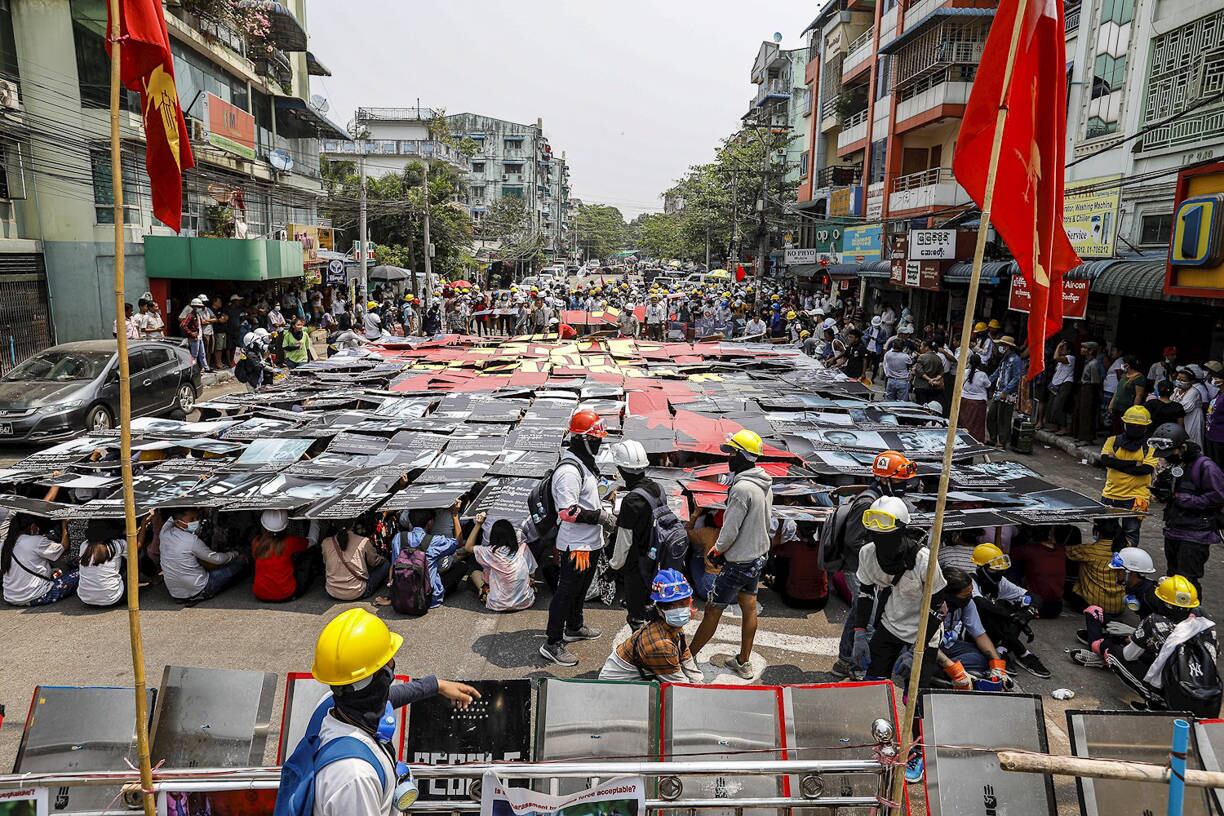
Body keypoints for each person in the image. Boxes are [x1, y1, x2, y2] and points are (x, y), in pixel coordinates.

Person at [279, 608, 480, 816]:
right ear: (382, 676)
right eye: (389, 663)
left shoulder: (331, 707)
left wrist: (435, 685)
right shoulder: (355, 777)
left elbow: (383, 696)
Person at [688, 430, 774, 680]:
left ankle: (688, 657)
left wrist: (717, 551)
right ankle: (744, 661)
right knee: (749, 607)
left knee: (713, 609)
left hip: (738, 562)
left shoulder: (741, 488)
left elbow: (730, 528)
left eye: (733, 452)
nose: (729, 457)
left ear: (743, 456)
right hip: (758, 556)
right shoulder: (764, 481)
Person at [829, 450, 918, 678]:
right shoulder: (867, 502)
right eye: (900, 480)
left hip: (867, 566)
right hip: (858, 568)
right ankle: (860, 667)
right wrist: (878, 559)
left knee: (857, 613)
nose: (904, 485)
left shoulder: (883, 500)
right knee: (867, 619)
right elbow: (853, 540)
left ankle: (845, 660)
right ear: (884, 478)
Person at [539, 409, 611, 667]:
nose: (600, 444)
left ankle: (574, 626)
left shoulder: (584, 464)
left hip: (590, 542)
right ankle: (553, 642)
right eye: (596, 439)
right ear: (582, 440)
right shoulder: (568, 472)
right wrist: (601, 517)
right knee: (566, 593)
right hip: (577, 545)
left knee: (580, 589)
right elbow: (567, 512)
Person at [853, 496, 946, 693]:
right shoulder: (867, 554)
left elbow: (938, 607)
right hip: (891, 624)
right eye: (875, 535)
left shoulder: (924, 561)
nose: (881, 543)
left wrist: (916, 650)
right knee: (873, 687)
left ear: (901, 531)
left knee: (915, 699)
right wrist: (859, 632)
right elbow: (865, 594)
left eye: (886, 536)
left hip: (924, 632)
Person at [1149, 422, 1224, 596]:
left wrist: (1179, 498)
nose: (1166, 457)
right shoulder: (1176, 464)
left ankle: (1192, 617)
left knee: (1187, 582)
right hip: (1174, 529)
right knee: (1172, 578)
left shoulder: (1206, 467)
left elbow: (1218, 497)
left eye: (1170, 453)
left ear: (1182, 448)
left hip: (1196, 535)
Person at [599, 569, 704, 682]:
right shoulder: (661, 645)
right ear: (660, 608)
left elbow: (683, 651)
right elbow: (679, 686)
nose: (680, 609)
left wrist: (698, 681)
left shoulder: (669, 625)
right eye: (674, 605)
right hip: (618, 688)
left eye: (684, 602)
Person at [968, 544, 1051, 677]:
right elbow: (981, 604)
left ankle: (1002, 649)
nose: (1000, 574)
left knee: (1020, 605)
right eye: (995, 570)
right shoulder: (971, 581)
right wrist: (1011, 616)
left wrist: (1025, 614)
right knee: (994, 610)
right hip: (973, 631)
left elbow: (1033, 597)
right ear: (981, 568)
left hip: (998, 630)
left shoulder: (1001, 582)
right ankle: (1021, 651)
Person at [608, 439, 664, 628]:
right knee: (649, 604)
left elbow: (624, 541)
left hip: (637, 563)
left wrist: (613, 568)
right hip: (655, 557)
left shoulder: (631, 501)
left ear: (622, 469)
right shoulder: (657, 488)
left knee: (636, 616)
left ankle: (638, 651)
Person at [931, 566, 1009, 680]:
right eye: (966, 595)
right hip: (925, 646)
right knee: (912, 660)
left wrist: (998, 665)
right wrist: (954, 669)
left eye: (970, 593)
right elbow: (925, 644)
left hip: (947, 644)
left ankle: (940, 672)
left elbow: (980, 635)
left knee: (983, 658)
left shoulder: (967, 603)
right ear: (948, 595)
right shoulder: (930, 605)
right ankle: (941, 671)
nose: (970, 597)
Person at [1099, 405, 1158, 548]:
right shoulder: (1112, 441)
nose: (1135, 429)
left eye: (1138, 426)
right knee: (1105, 533)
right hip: (1111, 494)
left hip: (1137, 498)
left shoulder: (1150, 447)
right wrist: (1134, 464)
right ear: (1125, 424)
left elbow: (1145, 469)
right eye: (1132, 426)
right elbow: (1106, 461)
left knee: (1131, 532)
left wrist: (1117, 463)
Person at [160, 508, 246, 603]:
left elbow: (170, 519)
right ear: (177, 523)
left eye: (197, 518)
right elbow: (217, 559)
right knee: (238, 564)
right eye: (192, 519)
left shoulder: (164, 532)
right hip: (200, 589)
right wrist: (234, 554)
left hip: (176, 594)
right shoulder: (191, 540)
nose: (196, 522)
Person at [391, 505, 468, 609]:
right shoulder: (434, 541)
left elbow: (394, 564)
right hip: (428, 600)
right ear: (430, 522)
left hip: (402, 595)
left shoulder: (398, 538)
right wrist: (454, 515)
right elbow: (459, 543)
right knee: (461, 566)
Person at [2, 514, 78, 606]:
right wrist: (64, 525)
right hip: (35, 596)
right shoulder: (36, 541)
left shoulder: (3, 545)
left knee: (56, 572)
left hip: (10, 597)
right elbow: (63, 548)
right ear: (32, 526)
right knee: (80, 573)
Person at [467, 517, 537, 612]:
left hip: (497, 604)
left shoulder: (490, 551)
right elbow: (532, 573)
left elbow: (468, 547)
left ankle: (484, 592)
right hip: (524, 602)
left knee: (475, 573)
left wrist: (478, 524)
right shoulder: (523, 548)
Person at [251, 509, 315, 603]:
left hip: (260, 595)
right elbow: (312, 541)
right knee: (308, 554)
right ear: (285, 526)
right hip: (286, 594)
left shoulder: (256, 542)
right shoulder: (289, 542)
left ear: (262, 525)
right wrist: (314, 520)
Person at [322, 520, 389, 602]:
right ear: (353, 524)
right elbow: (374, 562)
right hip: (358, 592)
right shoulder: (363, 541)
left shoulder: (325, 542)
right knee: (386, 564)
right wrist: (383, 558)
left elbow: (326, 563)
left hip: (332, 591)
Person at [77, 519, 128, 607]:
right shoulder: (117, 545)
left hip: (86, 599)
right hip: (113, 598)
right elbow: (133, 556)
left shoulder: (84, 545)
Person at [987, 336, 1023, 448]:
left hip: (1008, 393)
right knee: (991, 415)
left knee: (1004, 418)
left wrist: (1006, 390)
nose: (1000, 347)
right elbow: (997, 373)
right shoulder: (1004, 359)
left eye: (1001, 345)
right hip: (999, 391)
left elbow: (1017, 378)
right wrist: (986, 382)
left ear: (1007, 347)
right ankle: (993, 438)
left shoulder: (1016, 360)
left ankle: (1002, 441)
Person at [1075, 342, 1106, 444]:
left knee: (1088, 413)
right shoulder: (1088, 362)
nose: (1082, 349)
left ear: (1091, 351)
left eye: (1084, 348)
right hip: (1085, 388)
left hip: (1090, 389)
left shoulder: (1094, 364)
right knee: (1082, 412)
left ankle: (1087, 438)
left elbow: (1095, 381)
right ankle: (1081, 436)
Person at [1044, 340, 1076, 434]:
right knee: (1052, 405)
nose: (1061, 350)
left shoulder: (1070, 358)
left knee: (1059, 405)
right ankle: (1055, 426)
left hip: (1065, 383)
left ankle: (1064, 427)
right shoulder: (1062, 359)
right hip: (1057, 383)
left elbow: (1056, 357)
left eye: (1063, 348)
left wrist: (1058, 345)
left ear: (1069, 350)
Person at [1109, 356, 1148, 432]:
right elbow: (1117, 390)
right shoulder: (1124, 375)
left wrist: (1134, 409)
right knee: (1115, 428)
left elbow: (1138, 395)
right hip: (1117, 406)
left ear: (1128, 365)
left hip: (1127, 407)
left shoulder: (1139, 377)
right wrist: (1112, 403)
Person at [958, 355, 992, 443]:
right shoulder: (982, 375)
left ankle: (963, 439)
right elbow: (988, 385)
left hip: (964, 400)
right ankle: (976, 440)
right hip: (978, 403)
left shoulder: (965, 372)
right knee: (977, 424)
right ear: (979, 363)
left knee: (965, 421)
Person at [1174, 367, 1206, 447]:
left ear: (1191, 381)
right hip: (1182, 419)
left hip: (1193, 419)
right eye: (1178, 378)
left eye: (1183, 380)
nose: (1180, 381)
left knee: (1193, 441)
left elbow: (1183, 408)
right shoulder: (1176, 390)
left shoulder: (1193, 392)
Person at [180, 298, 207, 371]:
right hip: (194, 338)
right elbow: (183, 325)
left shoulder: (198, 315)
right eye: (199, 307)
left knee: (202, 354)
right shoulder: (190, 315)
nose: (200, 308)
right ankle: (193, 369)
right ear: (194, 307)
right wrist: (191, 333)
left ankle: (205, 368)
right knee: (194, 355)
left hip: (199, 337)